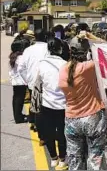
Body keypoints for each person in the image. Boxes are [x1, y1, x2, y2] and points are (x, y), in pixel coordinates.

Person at [58, 33, 107, 170]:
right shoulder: (89, 67)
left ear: (70, 50)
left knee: (74, 159)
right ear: (86, 51)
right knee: (95, 157)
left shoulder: (63, 69)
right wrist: (91, 36)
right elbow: (106, 48)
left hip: (71, 121)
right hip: (93, 118)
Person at [37, 38, 67, 169]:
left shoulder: (41, 64)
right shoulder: (66, 64)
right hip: (63, 105)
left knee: (48, 132)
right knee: (62, 132)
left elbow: (36, 83)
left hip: (47, 104)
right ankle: (62, 158)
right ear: (60, 49)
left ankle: (53, 158)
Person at [18, 28, 48, 142]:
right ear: (45, 37)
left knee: (36, 107)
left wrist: (28, 80)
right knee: (46, 110)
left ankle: (37, 128)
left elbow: (21, 68)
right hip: (46, 83)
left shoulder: (28, 50)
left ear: (34, 37)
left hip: (32, 83)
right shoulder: (48, 48)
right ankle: (45, 132)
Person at [9, 38, 30, 124]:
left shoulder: (13, 56)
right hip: (21, 82)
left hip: (15, 81)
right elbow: (22, 70)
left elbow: (11, 71)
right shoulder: (21, 57)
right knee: (20, 99)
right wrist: (27, 80)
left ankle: (17, 115)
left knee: (16, 98)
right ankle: (19, 118)